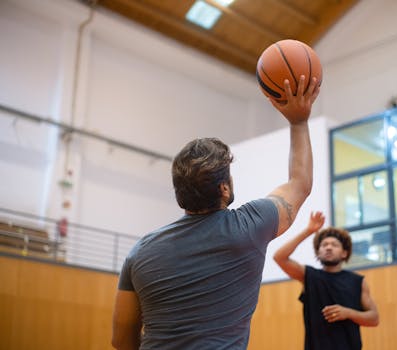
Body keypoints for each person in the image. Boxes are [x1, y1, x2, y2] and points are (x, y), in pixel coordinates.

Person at [111, 75, 320, 350]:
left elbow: (121, 341)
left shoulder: (140, 252)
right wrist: (298, 121)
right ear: (223, 188)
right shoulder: (250, 226)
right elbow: (300, 184)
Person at [273, 211, 379, 350]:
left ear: (344, 253)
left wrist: (348, 313)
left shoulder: (357, 281)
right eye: (324, 245)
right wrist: (308, 231)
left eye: (334, 245)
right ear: (318, 252)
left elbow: (374, 318)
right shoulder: (309, 276)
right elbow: (279, 257)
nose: (328, 247)